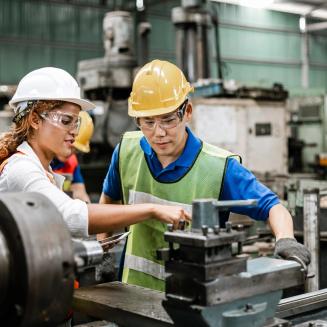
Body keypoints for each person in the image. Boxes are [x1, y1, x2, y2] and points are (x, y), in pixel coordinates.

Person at [100, 59, 311, 292]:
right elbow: (107, 202)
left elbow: (273, 207)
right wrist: (104, 252)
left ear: (187, 111)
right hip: (132, 297)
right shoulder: (126, 152)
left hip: (195, 303)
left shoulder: (218, 167)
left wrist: (286, 239)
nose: (158, 133)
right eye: (148, 122)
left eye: (168, 120)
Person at [0, 67, 191, 241]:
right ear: (34, 119)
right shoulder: (22, 169)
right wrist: (152, 209)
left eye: (76, 122)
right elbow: (71, 217)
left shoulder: (42, 169)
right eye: (66, 121)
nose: (74, 131)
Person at [51, 111, 94, 203]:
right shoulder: (37, 159)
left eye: (76, 150)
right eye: (70, 145)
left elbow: (80, 192)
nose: (71, 153)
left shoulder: (71, 161)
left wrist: (86, 206)